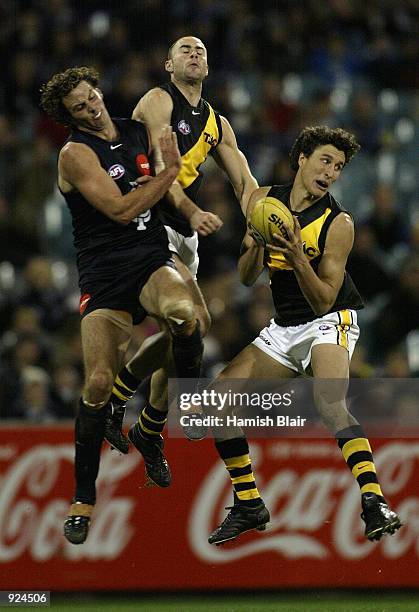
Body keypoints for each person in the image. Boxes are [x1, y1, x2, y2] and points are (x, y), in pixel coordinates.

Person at [203, 126, 402, 545]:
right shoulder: (262, 202)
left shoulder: (338, 222)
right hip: (284, 326)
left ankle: (374, 501)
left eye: (338, 167)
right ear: (302, 159)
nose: (331, 172)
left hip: (330, 319)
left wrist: (296, 256)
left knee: (329, 401)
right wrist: (257, 243)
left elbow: (322, 299)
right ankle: (249, 504)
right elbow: (244, 277)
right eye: (325, 161)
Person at [40, 66, 205, 545]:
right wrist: (167, 175)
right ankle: (83, 499)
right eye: (78, 106)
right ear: (67, 117)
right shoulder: (74, 153)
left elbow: (168, 178)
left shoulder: (136, 130)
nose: (91, 106)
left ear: (99, 89)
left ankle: (156, 419)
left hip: (150, 255)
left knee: (186, 319)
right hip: (105, 274)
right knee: (95, 382)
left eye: (91, 95)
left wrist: (188, 206)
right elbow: (120, 209)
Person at [104, 36, 258, 450]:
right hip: (149, 218)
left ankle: (149, 425)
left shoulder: (216, 123)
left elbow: (245, 183)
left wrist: (259, 222)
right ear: (168, 64)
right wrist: (193, 212)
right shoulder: (158, 100)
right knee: (188, 319)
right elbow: (158, 171)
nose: (194, 54)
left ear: (208, 67)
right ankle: (119, 401)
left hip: (184, 231)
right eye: (185, 50)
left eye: (201, 51)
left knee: (190, 329)